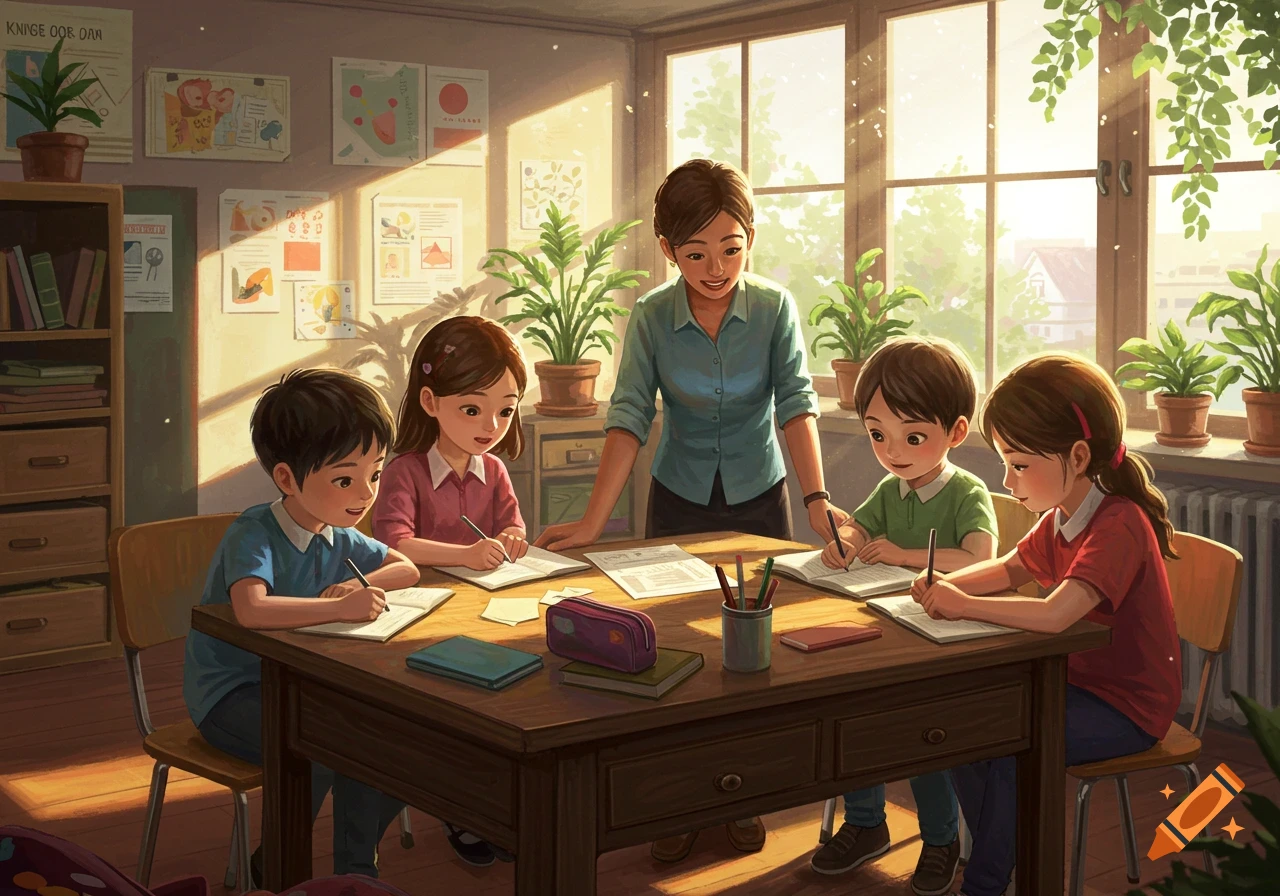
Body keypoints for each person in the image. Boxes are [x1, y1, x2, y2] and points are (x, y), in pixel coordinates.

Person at [535, 157, 849, 863]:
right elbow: (628, 417)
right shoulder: (651, 315)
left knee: (750, 664)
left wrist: (818, 502)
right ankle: (671, 805)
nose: (716, 266)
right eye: (696, 252)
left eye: (732, 248)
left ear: (751, 239)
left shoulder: (772, 309)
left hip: (760, 500)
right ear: (668, 250)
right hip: (677, 498)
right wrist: (592, 523)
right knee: (673, 654)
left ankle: (742, 798)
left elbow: (796, 405)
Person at [910, 354, 1182, 896]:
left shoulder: (1117, 522)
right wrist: (942, 582)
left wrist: (961, 604)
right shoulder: (1061, 517)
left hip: (1130, 706)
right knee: (966, 730)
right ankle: (1002, 862)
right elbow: (1012, 568)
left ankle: (985, 882)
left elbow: (1056, 613)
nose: (1007, 481)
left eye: (1018, 464)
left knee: (1018, 748)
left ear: (1077, 457)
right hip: (1072, 686)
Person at [184, 368, 420, 886]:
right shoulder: (256, 532)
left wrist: (355, 589)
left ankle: (355, 872)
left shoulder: (336, 533)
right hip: (231, 693)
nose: (365, 493)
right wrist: (337, 608)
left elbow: (408, 568)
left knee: (397, 748)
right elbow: (251, 610)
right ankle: (280, 866)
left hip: (300, 687)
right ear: (288, 478)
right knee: (322, 746)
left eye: (375, 474)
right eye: (344, 479)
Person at [811, 337, 996, 895]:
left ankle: (941, 839)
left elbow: (981, 558)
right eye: (877, 435)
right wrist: (843, 540)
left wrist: (901, 554)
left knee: (922, 738)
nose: (893, 450)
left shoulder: (967, 490)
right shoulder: (892, 488)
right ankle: (866, 824)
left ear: (956, 433)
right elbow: (860, 526)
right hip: (887, 632)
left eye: (913, 437)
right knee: (856, 723)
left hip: (946, 643)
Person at [371, 315, 528, 866]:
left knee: (511, 693)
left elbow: (514, 528)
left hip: (486, 608)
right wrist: (463, 554)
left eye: (505, 410)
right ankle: (461, 807)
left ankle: (493, 807)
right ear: (431, 402)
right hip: (418, 614)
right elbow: (394, 544)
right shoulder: (406, 472)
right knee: (452, 710)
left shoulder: (496, 472)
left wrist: (513, 539)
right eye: (472, 409)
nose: (491, 425)